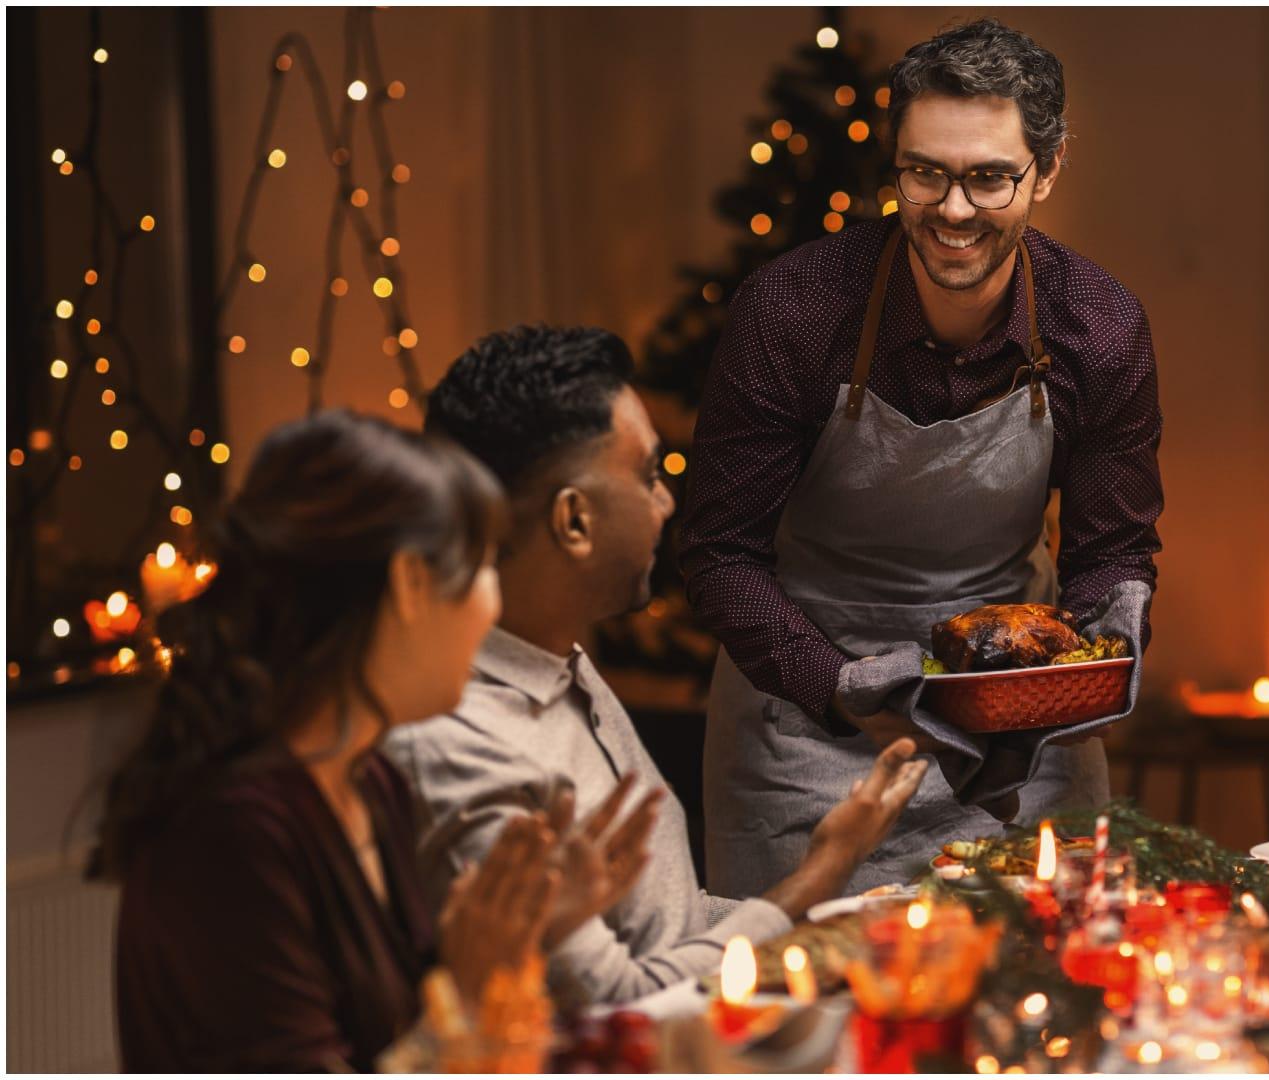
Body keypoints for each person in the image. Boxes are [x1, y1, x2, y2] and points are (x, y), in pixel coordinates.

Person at [679, 17, 1163, 897]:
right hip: (804, 735)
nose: (952, 209)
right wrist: (843, 686)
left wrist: (1104, 639)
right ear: (895, 162)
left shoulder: (1100, 325)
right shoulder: (792, 311)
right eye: (925, 172)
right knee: (805, 1018)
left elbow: (1110, 554)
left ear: (1047, 170)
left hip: (1015, 740)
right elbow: (718, 555)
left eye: (989, 178)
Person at [385, 325, 929, 1008]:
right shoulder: (462, 744)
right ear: (573, 521)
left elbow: (661, 927)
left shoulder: (561, 662)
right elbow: (616, 997)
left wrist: (850, 917)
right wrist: (821, 874)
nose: (667, 503)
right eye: (648, 477)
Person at [98, 411, 656, 1071]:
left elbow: (390, 1033)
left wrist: (525, 937)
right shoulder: (233, 834)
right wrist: (470, 996)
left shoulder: (370, 783)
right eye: (480, 567)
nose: (493, 606)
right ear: (410, 583)